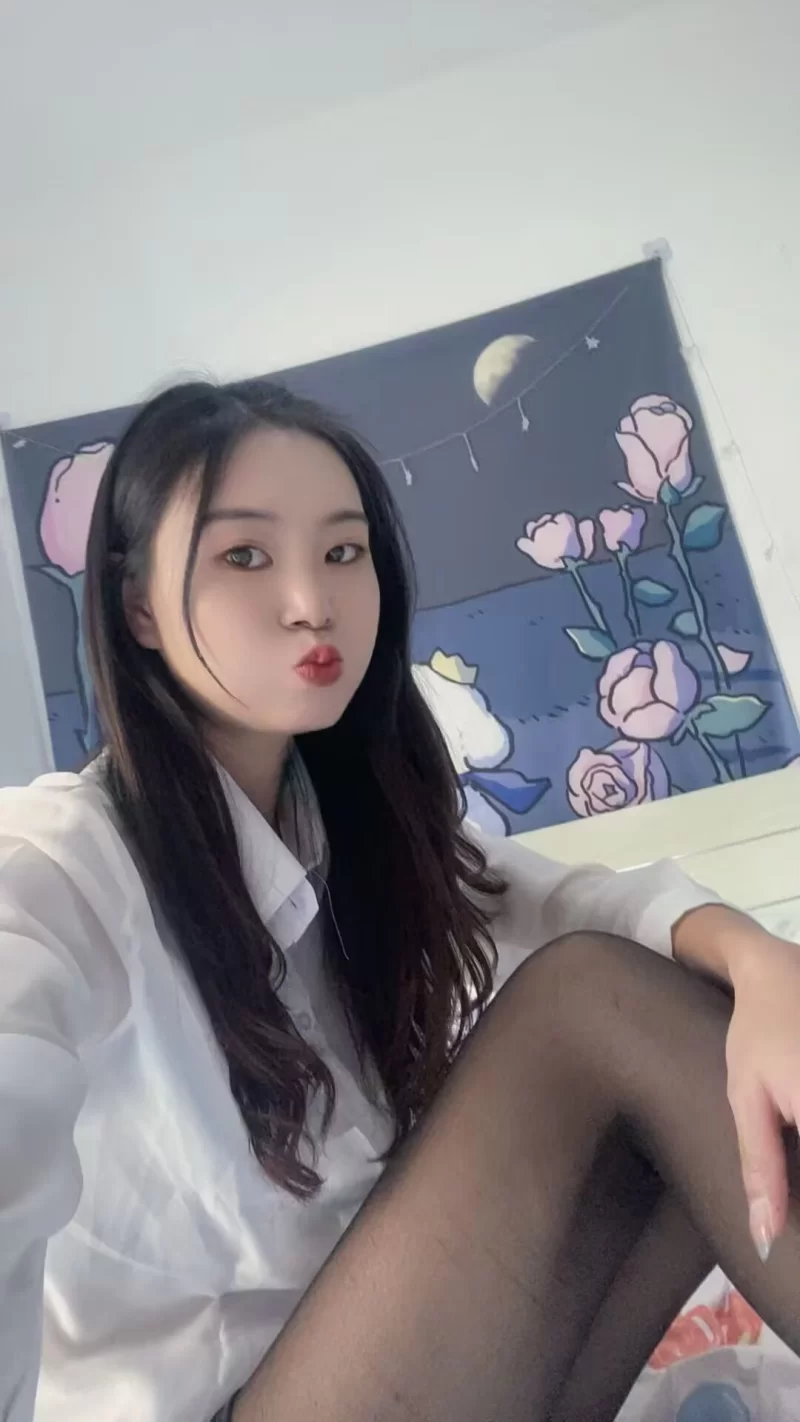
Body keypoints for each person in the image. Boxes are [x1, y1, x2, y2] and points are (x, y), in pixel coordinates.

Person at [1, 379, 799, 1422]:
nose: (311, 600)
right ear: (139, 607)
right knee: (586, 1005)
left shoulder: (343, 833)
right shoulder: (64, 862)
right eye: (244, 556)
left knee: (700, 1067)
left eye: (343, 550)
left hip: (402, 1374)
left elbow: (575, 904)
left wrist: (759, 963)